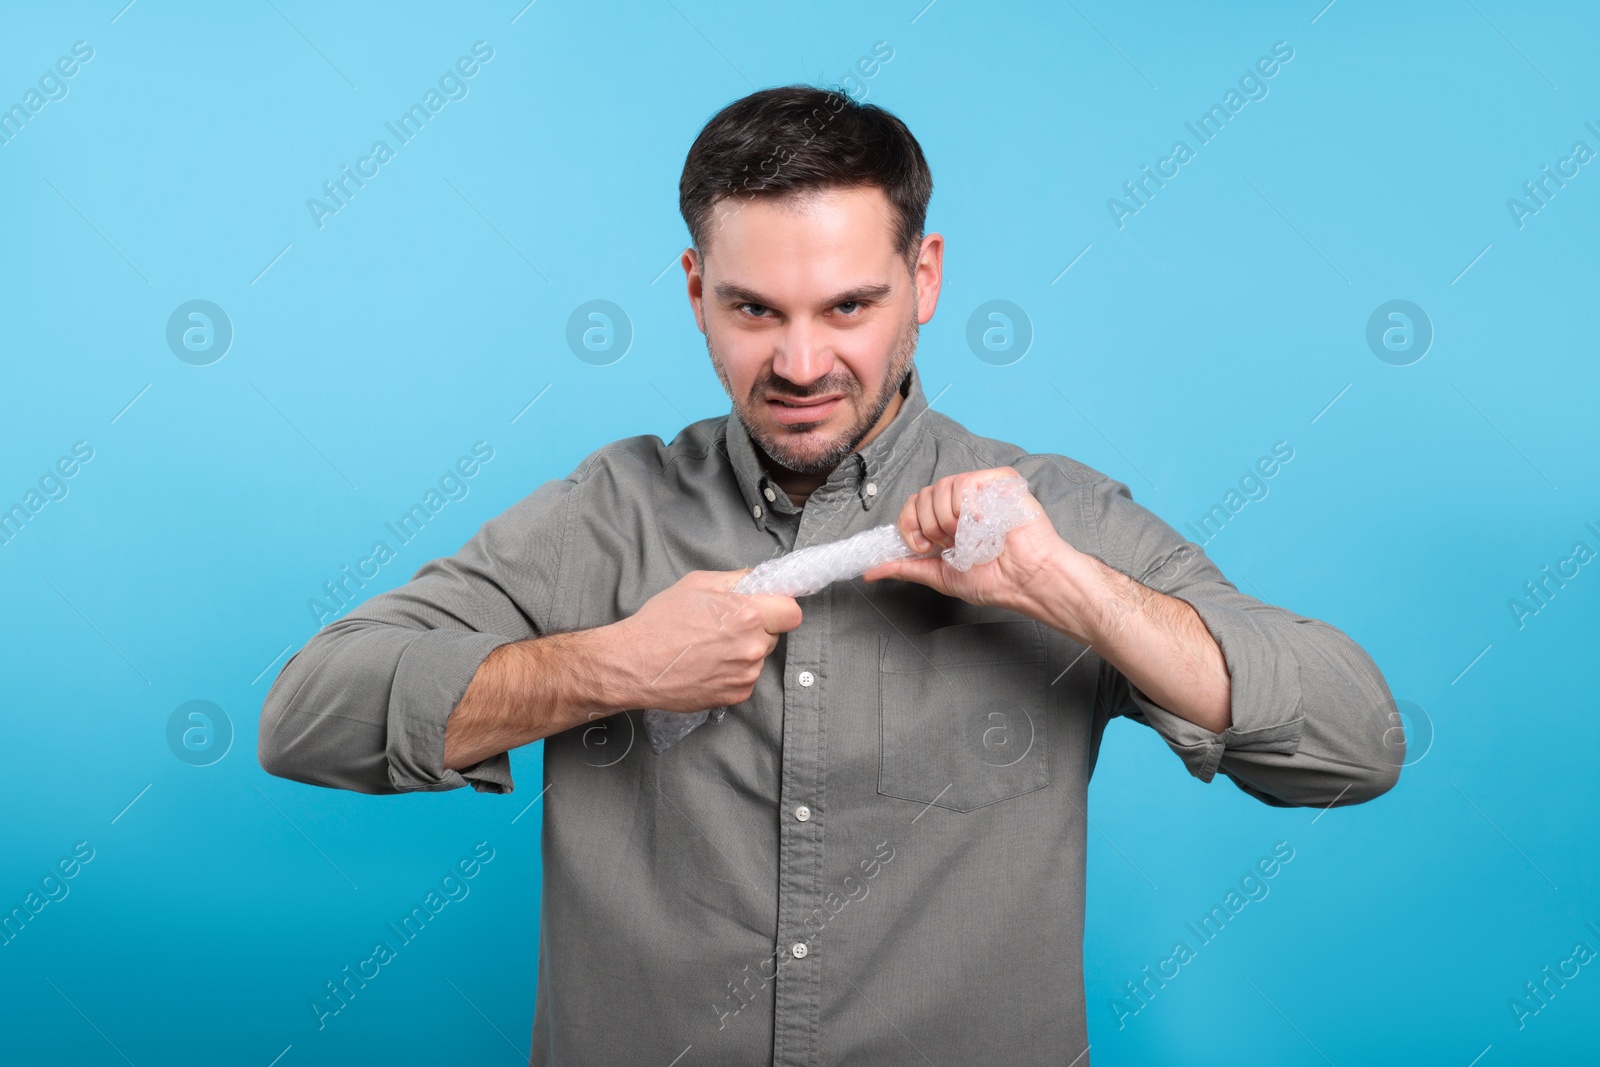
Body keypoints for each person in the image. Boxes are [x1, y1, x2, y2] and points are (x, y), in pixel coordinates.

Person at [258, 85, 1403, 1066]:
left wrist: (1064, 586)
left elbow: (1354, 746)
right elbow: (307, 714)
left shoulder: (1055, 515)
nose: (801, 362)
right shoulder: (605, 514)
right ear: (695, 288)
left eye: (849, 306)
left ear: (926, 277)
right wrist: (612, 665)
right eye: (755, 309)